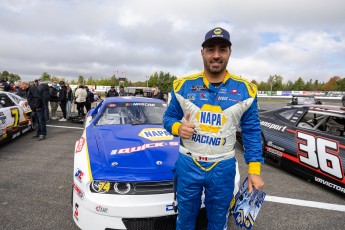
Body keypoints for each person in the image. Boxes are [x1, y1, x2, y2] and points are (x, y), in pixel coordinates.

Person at [163, 27, 264, 230]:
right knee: (185, 220)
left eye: (222, 49)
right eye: (210, 49)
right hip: (188, 163)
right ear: (203, 53)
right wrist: (177, 128)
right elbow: (168, 118)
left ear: (229, 52)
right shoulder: (183, 85)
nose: (216, 55)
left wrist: (254, 170)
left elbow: (252, 132)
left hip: (223, 166)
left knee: (218, 221)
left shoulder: (246, 90)